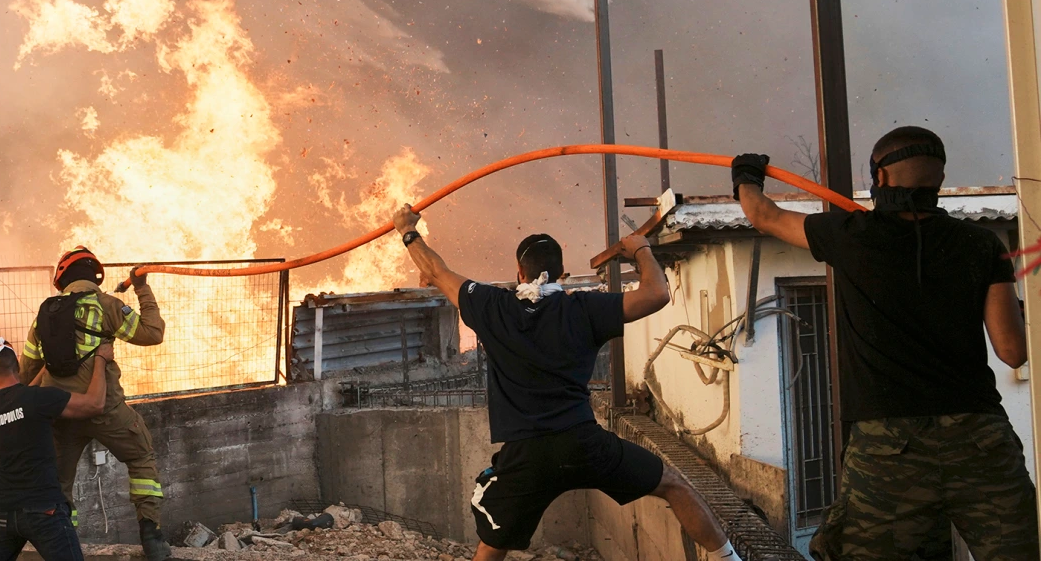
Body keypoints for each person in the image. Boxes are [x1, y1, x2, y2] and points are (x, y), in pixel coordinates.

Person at [732, 126, 1038, 560]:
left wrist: (747, 175)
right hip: (980, 440)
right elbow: (1013, 351)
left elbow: (765, 216)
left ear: (880, 178)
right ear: (939, 179)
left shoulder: (849, 234)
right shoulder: (981, 244)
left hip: (888, 450)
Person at [390, 204, 741, 561]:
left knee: (493, 547)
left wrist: (407, 231)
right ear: (563, 275)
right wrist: (641, 249)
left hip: (526, 455)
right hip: (582, 443)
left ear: (518, 273)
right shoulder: (584, 308)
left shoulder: (492, 305)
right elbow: (657, 293)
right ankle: (730, 559)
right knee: (674, 485)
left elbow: (437, 269)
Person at [18, 246, 170, 561]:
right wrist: (141, 289)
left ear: (63, 277)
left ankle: (64, 545)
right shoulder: (106, 305)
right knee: (141, 457)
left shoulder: (44, 313)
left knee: (59, 484)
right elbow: (152, 333)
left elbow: (26, 369)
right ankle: (151, 535)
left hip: (61, 414)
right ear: (94, 276)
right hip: (106, 409)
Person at [0, 337, 113, 561]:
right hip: (44, 512)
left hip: (1, 516)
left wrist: (44, 371)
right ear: (17, 367)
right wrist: (100, 358)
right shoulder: (37, 400)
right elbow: (94, 404)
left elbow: (19, 402)